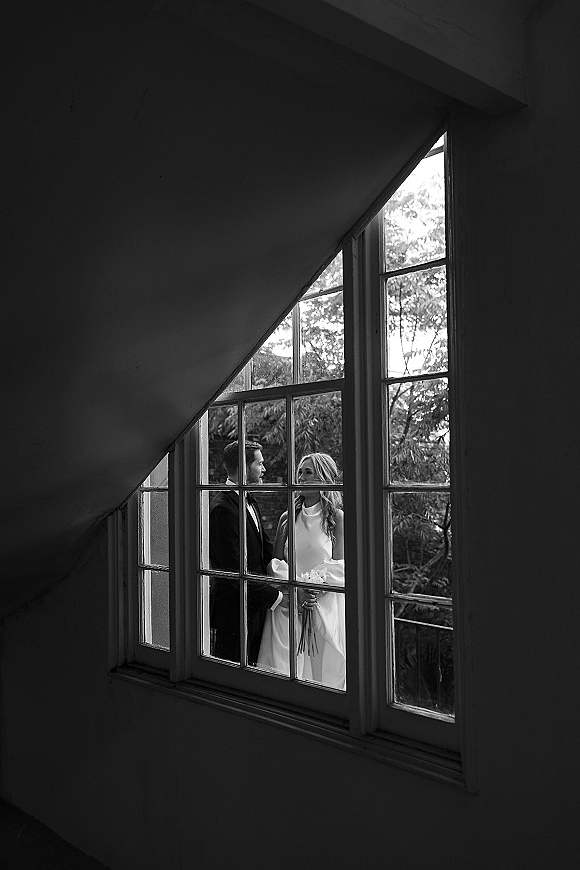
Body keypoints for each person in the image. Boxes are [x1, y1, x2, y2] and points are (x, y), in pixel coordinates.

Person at [257, 452, 346, 690]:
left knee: (320, 674)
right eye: (300, 471)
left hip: (322, 606)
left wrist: (312, 589)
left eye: (308, 472)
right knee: (285, 675)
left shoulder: (336, 519)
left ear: (323, 479)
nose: (301, 477)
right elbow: (274, 564)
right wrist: (296, 588)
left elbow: (341, 567)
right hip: (288, 608)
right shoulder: (287, 517)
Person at [209, 440, 283, 665]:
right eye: (259, 464)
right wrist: (278, 596)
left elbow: (266, 550)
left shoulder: (250, 500)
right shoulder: (223, 507)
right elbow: (233, 570)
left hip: (256, 608)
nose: (264, 469)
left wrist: (293, 578)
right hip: (234, 615)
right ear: (243, 467)